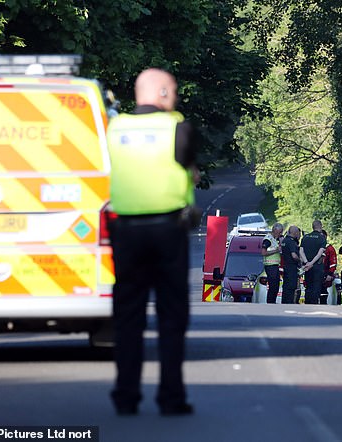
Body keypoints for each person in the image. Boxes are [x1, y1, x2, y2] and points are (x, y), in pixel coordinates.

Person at [107, 68, 198, 416]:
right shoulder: (178, 127)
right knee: (172, 315)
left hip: (126, 232)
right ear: (161, 92)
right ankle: (171, 397)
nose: (174, 97)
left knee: (127, 316)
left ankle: (125, 396)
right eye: (172, 90)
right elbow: (190, 169)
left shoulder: (114, 129)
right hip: (168, 231)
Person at [300, 220, 326, 304]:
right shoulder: (322, 238)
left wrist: (306, 262)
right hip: (317, 267)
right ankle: (314, 304)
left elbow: (301, 251)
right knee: (316, 286)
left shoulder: (306, 237)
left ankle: (307, 303)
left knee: (308, 286)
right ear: (320, 226)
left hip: (307, 267)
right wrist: (312, 263)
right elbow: (320, 253)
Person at [261, 223, 284, 304]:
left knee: (275, 287)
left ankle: (272, 302)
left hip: (274, 266)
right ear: (275, 230)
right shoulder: (268, 239)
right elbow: (263, 252)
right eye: (279, 232)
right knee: (273, 287)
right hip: (270, 266)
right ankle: (270, 303)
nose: (280, 234)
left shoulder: (274, 239)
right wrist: (276, 250)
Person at [281, 225, 302, 304]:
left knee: (286, 287)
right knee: (291, 287)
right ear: (295, 233)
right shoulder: (292, 242)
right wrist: (299, 260)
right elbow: (294, 255)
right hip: (292, 268)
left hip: (286, 266)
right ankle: (289, 304)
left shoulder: (284, 241)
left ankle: (284, 302)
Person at [320, 229, 338, 305]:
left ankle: (323, 307)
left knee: (323, 292)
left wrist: (330, 274)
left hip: (325, 274)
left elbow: (333, 263)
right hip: (314, 273)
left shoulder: (329, 248)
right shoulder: (313, 246)